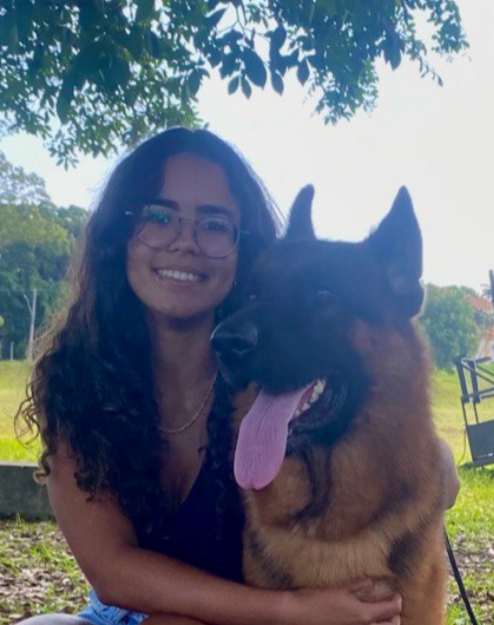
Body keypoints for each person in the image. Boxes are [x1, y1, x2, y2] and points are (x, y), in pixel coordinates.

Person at [16, 127, 406, 625]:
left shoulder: (279, 374)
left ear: (246, 250)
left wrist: (432, 464)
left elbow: (394, 448)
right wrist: (292, 610)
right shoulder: (77, 379)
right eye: (159, 217)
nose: (185, 243)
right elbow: (112, 572)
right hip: (129, 613)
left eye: (215, 225)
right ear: (121, 236)